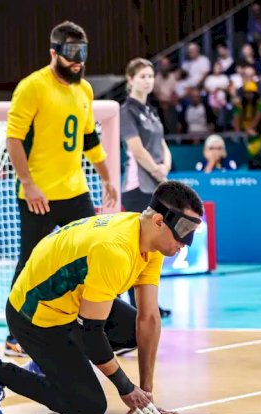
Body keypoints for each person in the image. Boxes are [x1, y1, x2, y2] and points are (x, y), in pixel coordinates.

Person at [0, 180, 202, 414]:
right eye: (183, 234)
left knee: (133, 330)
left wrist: (146, 393)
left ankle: (48, 366)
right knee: (88, 406)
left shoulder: (149, 241)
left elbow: (149, 319)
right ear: (158, 221)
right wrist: (126, 388)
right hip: (33, 316)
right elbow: (91, 334)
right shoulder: (114, 250)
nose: (185, 244)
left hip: (71, 304)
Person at [2, 21, 118, 357]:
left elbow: (88, 139)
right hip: (38, 195)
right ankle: (15, 335)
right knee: (31, 262)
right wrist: (29, 184)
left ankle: (99, 329)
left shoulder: (84, 90)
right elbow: (14, 139)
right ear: (54, 52)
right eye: (70, 52)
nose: (78, 59)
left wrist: (107, 178)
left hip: (76, 191)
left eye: (83, 52)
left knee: (94, 254)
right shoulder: (32, 87)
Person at [120, 58, 174, 318]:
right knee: (139, 247)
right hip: (137, 186)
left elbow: (162, 144)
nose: (147, 80)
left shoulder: (151, 111)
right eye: (142, 76)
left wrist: (166, 167)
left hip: (156, 183)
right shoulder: (126, 111)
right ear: (130, 80)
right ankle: (134, 305)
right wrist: (157, 171)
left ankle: (150, 304)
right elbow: (137, 150)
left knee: (153, 249)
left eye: (150, 76)